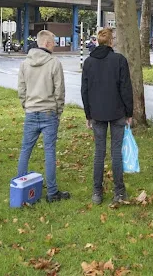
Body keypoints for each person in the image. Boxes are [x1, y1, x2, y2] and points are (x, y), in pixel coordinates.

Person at [81, 28, 133, 205]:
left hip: (97, 113)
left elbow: (85, 91)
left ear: (97, 41)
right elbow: (125, 88)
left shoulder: (88, 62)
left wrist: (88, 114)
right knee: (116, 152)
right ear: (111, 42)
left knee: (99, 153)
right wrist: (129, 112)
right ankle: (119, 192)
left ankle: (97, 192)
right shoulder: (119, 60)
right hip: (117, 112)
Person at [17, 30, 70, 202]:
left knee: (26, 149)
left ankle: (20, 185)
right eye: (53, 42)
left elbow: (21, 89)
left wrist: (26, 105)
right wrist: (58, 110)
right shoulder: (54, 63)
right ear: (47, 43)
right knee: (49, 152)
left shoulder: (25, 63)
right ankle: (52, 192)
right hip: (49, 112)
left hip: (31, 111)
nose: (54, 45)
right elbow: (59, 90)